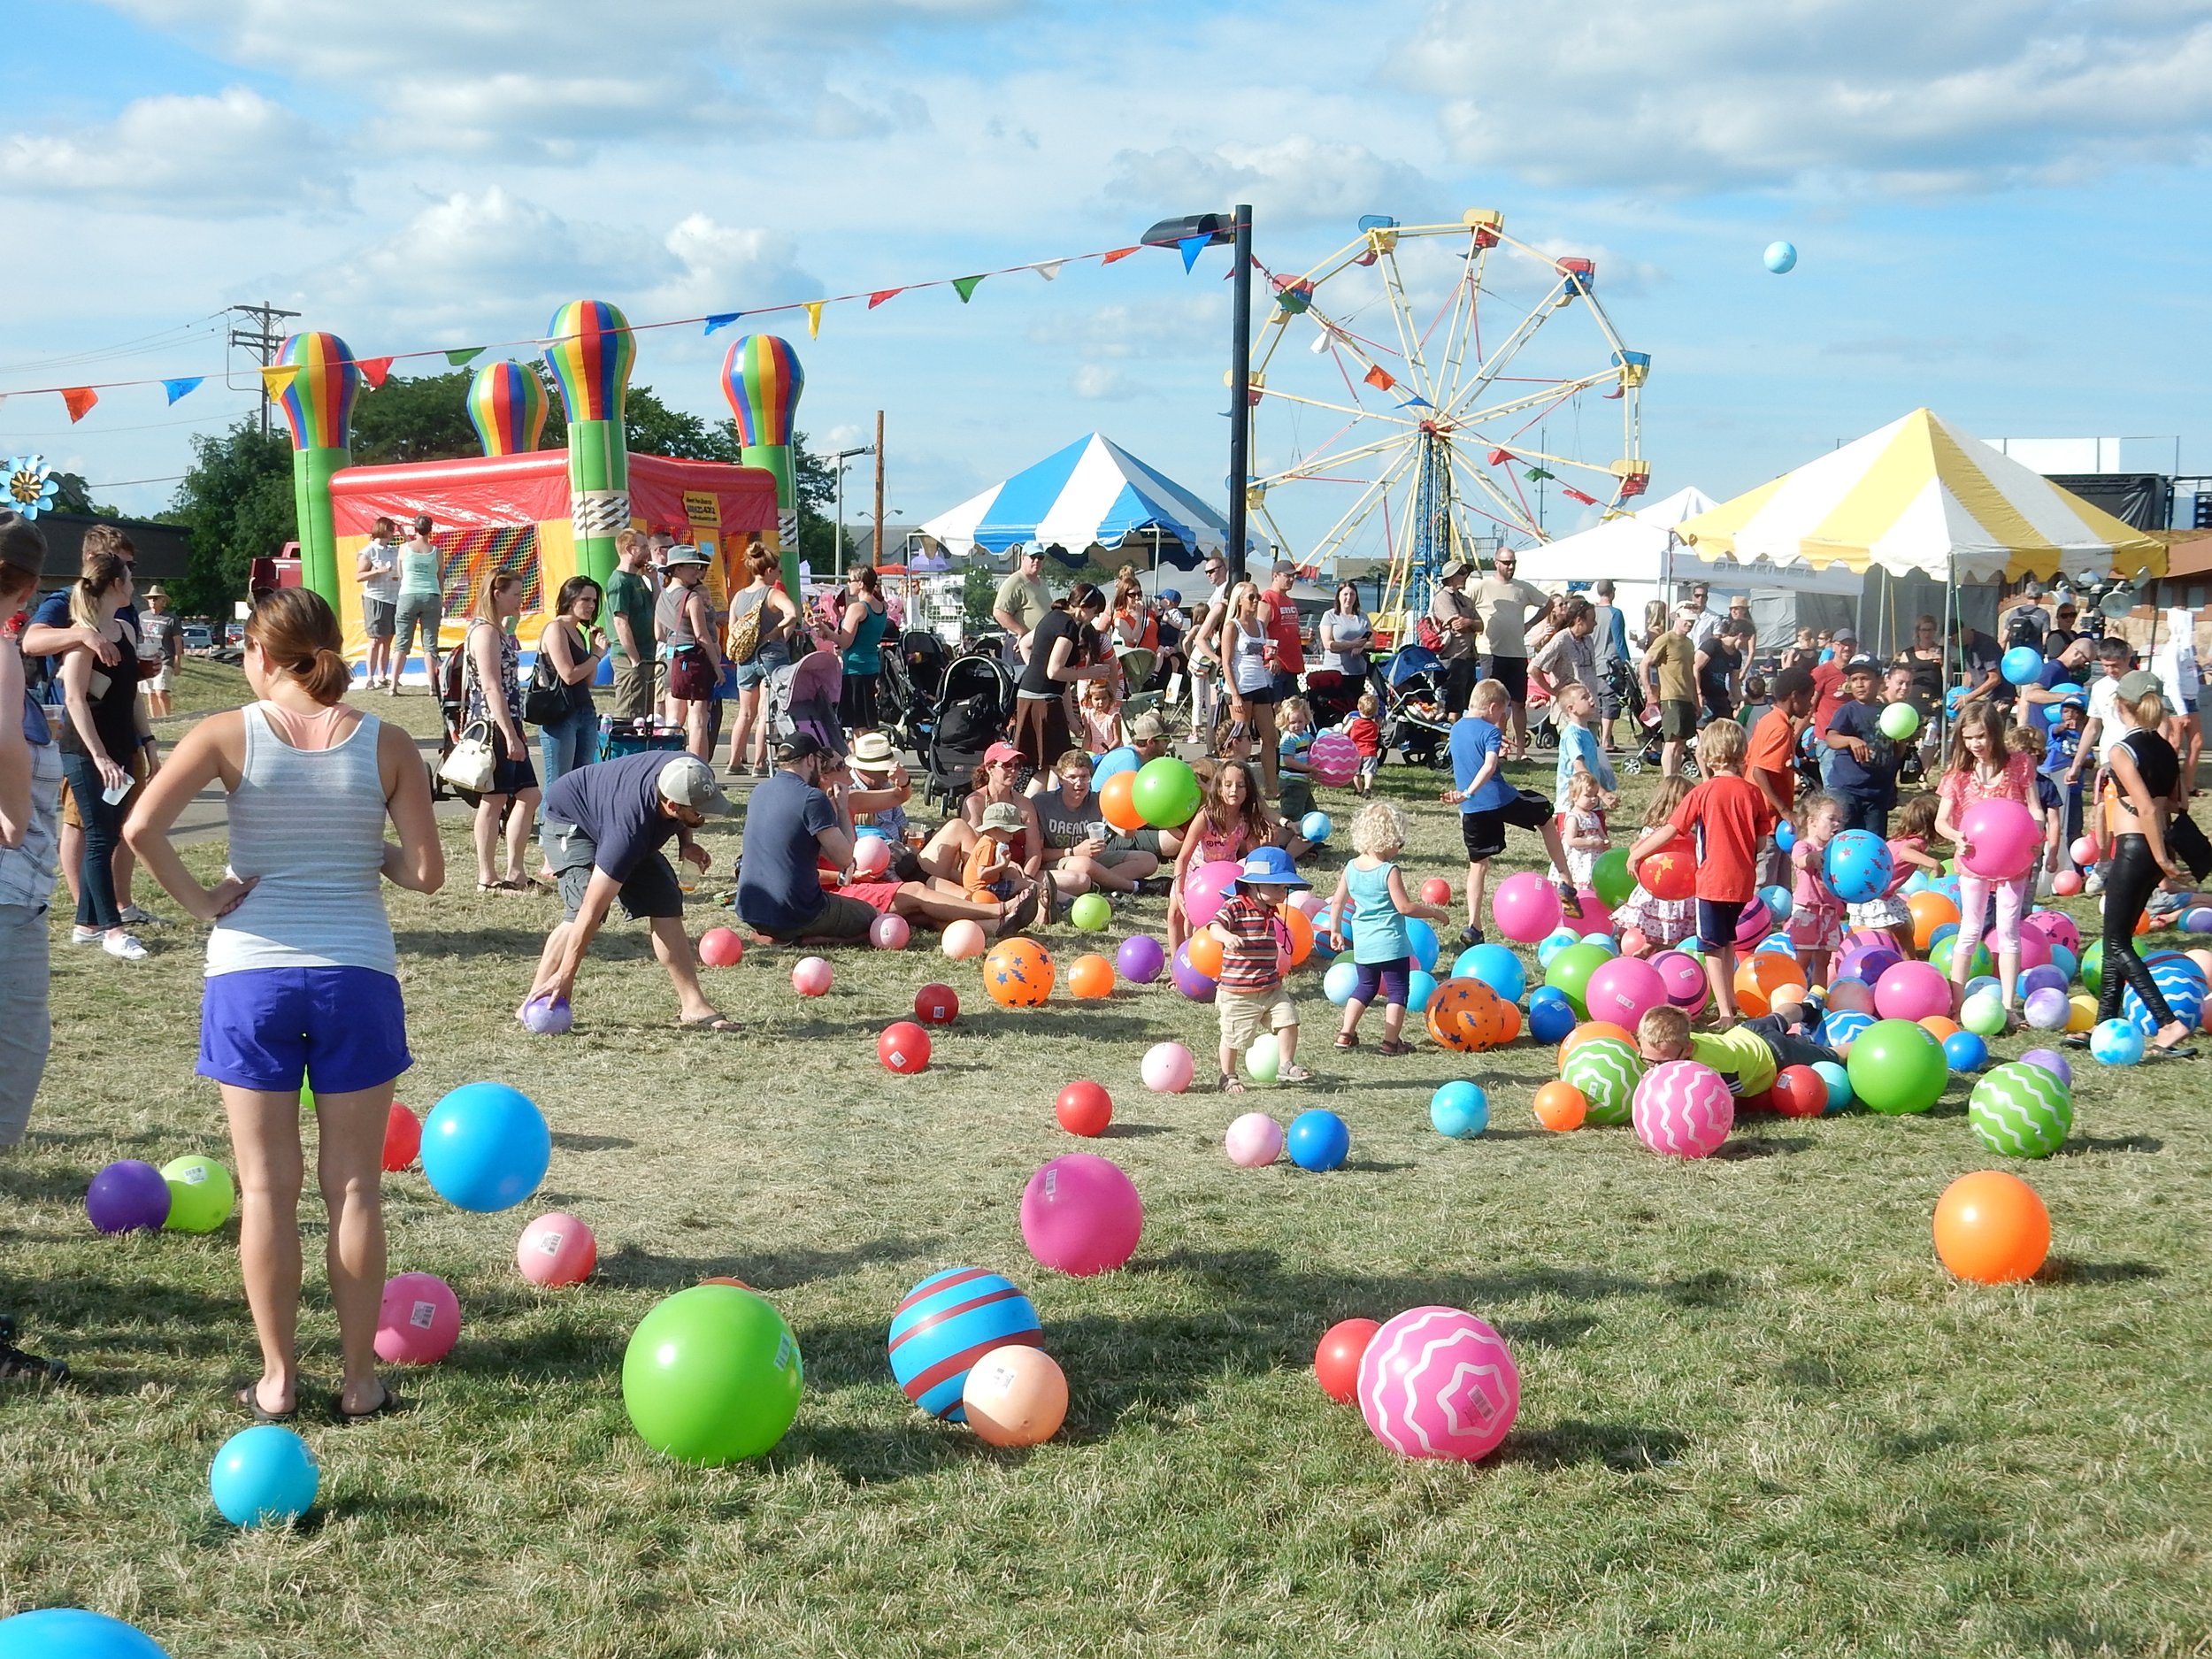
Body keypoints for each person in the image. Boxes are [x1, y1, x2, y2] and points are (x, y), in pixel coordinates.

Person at [126, 586, 443, 1421]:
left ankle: (276, 1380)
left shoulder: (227, 731)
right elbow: (426, 873)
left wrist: (201, 902)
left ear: (261, 655)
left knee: (266, 1191)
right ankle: (360, 1382)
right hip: (357, 977)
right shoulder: (388, 742)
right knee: (355, 1190)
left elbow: (140, 830)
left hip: (249, 976)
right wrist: (364, 847)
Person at [738, 735, 1032, 943]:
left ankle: (992, 924)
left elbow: (897, 796)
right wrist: (841, 811)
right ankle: (1000, 909)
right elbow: (844, 860)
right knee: (905, 902)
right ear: (817, 768)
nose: (848, 773)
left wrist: (901, 781)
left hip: (765, 904)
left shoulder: (763, 792)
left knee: (916, 908)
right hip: (824, 896)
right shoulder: (815, 800)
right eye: (841, 767)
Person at [526, 751, 736, 1030]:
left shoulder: (689, 771)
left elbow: (685, 811)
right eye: (699, 812)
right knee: (581, 908)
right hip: (571, 818)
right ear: (672, 805)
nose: (705, 815)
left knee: (664, 899)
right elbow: (592, 909)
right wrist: (567, 974)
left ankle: (694, 1006)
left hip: (612, 812)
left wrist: (686, 842)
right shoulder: (627, 834)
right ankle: (536, 999)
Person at [21, 524, 153, 923]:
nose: (131, 574)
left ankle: (118, 906)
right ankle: (91, 915)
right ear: (100, 566)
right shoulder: (66, 602)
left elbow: (119, 677)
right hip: (84, 738)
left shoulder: (125, 613)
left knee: (121, 823)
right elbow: (31, 641)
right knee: (85, 825)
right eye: (125, 566)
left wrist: (139, 670)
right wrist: (84, 634)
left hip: (121, 731)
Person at [2073, 672, 2198, 1057]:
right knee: (2118, 937)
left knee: (2115, 941)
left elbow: (2144, 806)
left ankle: (2167, 1022)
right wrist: (2164, 858)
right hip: (2153, 852)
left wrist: (2160, 856)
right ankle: (2104, 1022)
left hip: (2135, 849)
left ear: (2118, 704)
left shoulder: (2121, 751)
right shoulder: (2164, 747)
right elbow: (2180, 804)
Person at [1626, 718, 1775, 1024]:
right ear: (1742, 752)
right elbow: (1761, 843)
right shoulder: (1753, 793)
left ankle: (1723, 1013)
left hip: (1712, 882)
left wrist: (1638, 852)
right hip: (1742, 882)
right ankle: (1730, 1000)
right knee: (1728, 940)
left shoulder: (1702, 793)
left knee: (1711, 947)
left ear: (1707, 754)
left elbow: (1671, 829)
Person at [56, 547, 150, 961]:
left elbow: (130, 697)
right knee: (97, 837)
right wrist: (99, 756)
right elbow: (74, 700)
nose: (135, 584)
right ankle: (112, 930)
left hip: (120, 749)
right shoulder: (82, 636)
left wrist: (145, 743)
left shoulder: (125, 632)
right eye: (129, 577)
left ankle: (86, 923)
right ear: (115, 585)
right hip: (85, 751)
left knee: (110, 833)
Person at [0, 511, 58, 1148]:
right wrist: (13, 819)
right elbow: (5, 743)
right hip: (8, 888)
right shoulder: (2, 651)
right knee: (18, 1031)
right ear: (27, 588)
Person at [1444, 678, 1578, 946]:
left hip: (1472, 809)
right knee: (1546, 816)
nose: (1503, 717)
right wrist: (1470, 790)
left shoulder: (1456, 728)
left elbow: (1474, 755)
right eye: (1503, 712)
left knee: (1478, 866)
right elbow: (1489, 765)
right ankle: (1566, 882)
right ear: (1493, 707)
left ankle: (1474, 926)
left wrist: (1465, 796)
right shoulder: (1491, 731)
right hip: (1499, 799)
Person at [1934, 702, 2042, 1021]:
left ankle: (2009, 1007)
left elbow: (2034, 808)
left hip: (2013, 860)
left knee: (2009, 929)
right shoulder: (1958, 775)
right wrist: (1956, 837)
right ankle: (1955, 1004)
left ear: (1994, 732)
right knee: (1970, 928)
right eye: (1969, 738)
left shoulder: (2020, 765)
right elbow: (1941, 821)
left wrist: (2037, 835)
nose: (1976, 745)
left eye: (1981, 736)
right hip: (1972, 860)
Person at [1327, 802, 1448, 1055]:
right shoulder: (1388, 871)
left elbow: (1338, 900)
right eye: (1398, 842)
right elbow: (1404, 907)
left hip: (1364, 942)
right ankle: (1391, 1042)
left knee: (1365, 987)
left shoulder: (1351, 867)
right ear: (1386, 839)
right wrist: (1433, 912)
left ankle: (1345, 1033)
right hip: (1391, 943)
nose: (1399, 847)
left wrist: (1335, 930)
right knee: (1397, 991)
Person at [1207, 845, 1310, 1092]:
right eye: (1276, 886)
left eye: (1285, 888)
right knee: (1233, 1037)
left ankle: (1286, 1065)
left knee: (1288, 1020)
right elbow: (1214, 926)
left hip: (1270, 986)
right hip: (1238, 991)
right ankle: (1228, 1075)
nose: (1282, 893)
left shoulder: (1269, 910)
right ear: (1253, 885)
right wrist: (1226, 937)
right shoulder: (1236, 906)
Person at [462, 571, 540, 893]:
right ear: (496, 593)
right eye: (515, 594)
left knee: (529, 794)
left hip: (508, 721)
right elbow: (492, 687)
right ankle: (487, 875)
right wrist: (509, 734)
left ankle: (515, 871)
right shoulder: (484, 633)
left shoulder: (497, 630)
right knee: (493, 799)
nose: (519, 600)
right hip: (493, 724)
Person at [1167, 759, 1273, 951]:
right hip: (1195, 873)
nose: (1234, 790)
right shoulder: (1205, 817)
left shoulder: (1246, 820)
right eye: (1228, 785)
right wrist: (1180, 890)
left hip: (1224, 879)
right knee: (1175, 914)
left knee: (1215, 922)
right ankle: (1177, 967)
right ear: (1218, 788)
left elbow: (1255, 858)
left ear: (1248, 790)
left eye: (1240, 786)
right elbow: (1183, 857)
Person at [1635, 1002, 1840, 1102]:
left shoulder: (1708, 1072)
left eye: (1663, 1064)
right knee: (1780, 1016)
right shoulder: (1676, 1040)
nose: (1654, 1070)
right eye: (1648, 1061)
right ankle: (1809, 1007)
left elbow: (1728, 1104)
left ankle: (1857, 1042)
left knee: (1832, 1056)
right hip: (1745, 1032)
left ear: (1688, 1050)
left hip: (1775, 1055)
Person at [1033, 749, 1162, 898]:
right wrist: (1074, 851)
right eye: (1072, 777)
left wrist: (1128, 812)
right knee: (1084, 864)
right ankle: (1135, 887)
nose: (1078, 783)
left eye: (1084, 777)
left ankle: (1098, 886)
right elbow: (1038, 854)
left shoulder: (1098, 800)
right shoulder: (1043, 803)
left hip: (1091, 859)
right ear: (1061, 779)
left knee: (1149, 860)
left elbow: (1127, 834)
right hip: (1058, 860)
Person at [1012, 583, 1110, 771]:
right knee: (1060, 766)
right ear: (1083, 606)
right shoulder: (1068, 627)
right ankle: (1048, 799)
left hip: (1029, 695)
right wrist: (1088, 673)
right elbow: (1054, 671)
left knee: (1047, 768)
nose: (1095, 618)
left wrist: (1035, 669)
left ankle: (1032, 800)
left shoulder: (1051, 617)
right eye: (1095, 612)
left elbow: (1025, 644)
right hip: (1043, 701)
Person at [722, 541, 800, 776]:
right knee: (766, 712)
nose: (779, 574)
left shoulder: (739, 597)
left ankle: (734, 762)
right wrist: (778, 632)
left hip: (745, 659)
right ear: (768, 571)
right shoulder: (772, 593)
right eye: (778, 570)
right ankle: (759, 763)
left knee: (745, 713)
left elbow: (733, 629)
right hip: (771, 656)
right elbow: (793, 614)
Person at [534, 576, 605, 811]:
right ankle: (549, 834)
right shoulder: (556, 628)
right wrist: (596, 656)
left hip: (584, 710)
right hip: (560, 714)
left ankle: (573, 832)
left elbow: (589, 680)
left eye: (594, 601)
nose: (591, 605)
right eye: (585, 599)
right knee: (558, 781)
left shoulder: (578, 632)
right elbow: (569, 675)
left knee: (581, 778)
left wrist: (594, 651)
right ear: (569, 599)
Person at [1472, 550, 1549, 757]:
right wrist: (1473, 625)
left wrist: (1531, 624)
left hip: (1516, 652)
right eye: (1506, 563)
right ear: (1496, 563)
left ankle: (1521, 751)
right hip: (1490, 651)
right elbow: (1463, 603)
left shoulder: (1522, 588)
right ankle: (1494, 749)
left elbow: (1548, 603)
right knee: (1491, 703)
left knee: (1518, 703)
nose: (1511, 566)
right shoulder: (1482, 586)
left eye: (1513, 562)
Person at [1823, 657, 1905, 836]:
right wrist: (1850, 740)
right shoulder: (1848, 710)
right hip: (1847, 789)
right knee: (1844, 839)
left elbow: (1896, 752)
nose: (1859, 684)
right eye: (1854, 679)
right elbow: (1831, 738)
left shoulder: (1889, 713)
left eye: (1864, 678)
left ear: (1879, 681)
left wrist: (1902, 741)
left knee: (1874, 842)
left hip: (1877, 792)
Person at [1612, 777, 1695, 953]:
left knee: (1660, 919)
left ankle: (1652, 944)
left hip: (1662, 885)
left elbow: (1634, 847)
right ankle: (1656, 945)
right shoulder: (1676, 832)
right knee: (1674, 918)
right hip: (1670, 885)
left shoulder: (1653, 829)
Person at [657, 545, 722, 760]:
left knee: (673, 720)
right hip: (693, 661)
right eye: (691, 566)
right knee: (698, 720)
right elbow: (702, 636)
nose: (696, 570)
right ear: (676, 569)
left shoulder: (662, 597)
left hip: (671, 658)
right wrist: (717, 667)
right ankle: (698, 769)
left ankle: (665, 765)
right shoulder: (691, 598)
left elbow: (658, 634)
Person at [1218, 580, 1281, 792]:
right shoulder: (1231, 626)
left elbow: (1262, 653)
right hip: (1240, 685)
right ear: (1240, 601)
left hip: (1260, 683)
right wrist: (1234, 693)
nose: (1256, 601)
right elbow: (1226, 662)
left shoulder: (1261, 625)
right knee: (1240, 741)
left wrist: (1273, 660)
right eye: (1251, 597)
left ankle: (1272, 788)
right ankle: (1234, 786)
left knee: (1270, 737)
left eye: (1258, 597)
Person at [1786, 790, 1848, 989]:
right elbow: (1800, 861)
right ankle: (1794, 993)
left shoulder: (1837, 851)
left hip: (1829, 912)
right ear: (1812, 822)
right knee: (1802, 957)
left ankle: (1817, 998)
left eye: (1840, 820)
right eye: (1831, 819)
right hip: (1807, 911)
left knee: (1823, 960)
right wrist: (1812, 859)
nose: (1837, 825)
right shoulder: (1803, 846)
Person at [603, 529, 658, 723]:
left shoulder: (639, 579)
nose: (647, 553)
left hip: (647, 653)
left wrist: (654, 582)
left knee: (644, 713)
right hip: (629, 658)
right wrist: (634, 659)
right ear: (629, 549)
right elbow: (620, 622)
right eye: (643, 547)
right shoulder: (619, 581)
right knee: (630, 713)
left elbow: (656, 608)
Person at [1642, 604, 1699, 779]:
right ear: (1676, 617)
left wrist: (1696, 701)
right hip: (1671, 696)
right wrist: (1650, 693)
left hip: (1687, 698)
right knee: (1672, 742)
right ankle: (1668, 779)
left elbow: (1690, 673)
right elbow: (1645, 663)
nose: (1689, 624)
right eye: (1686, 620)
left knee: (1681, 743)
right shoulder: (1666, 639)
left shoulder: (1689, 643)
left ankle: (1675, 776)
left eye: (1692, 621)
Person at [2151, 605, 2202, 795]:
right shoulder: (2172, 650)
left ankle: (2188, 785)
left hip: (2191, 699)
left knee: (2196, 742)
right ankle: (2169, 785)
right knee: (2174, 744)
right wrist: (2182, 711)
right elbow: (2172, 682)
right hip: (2175, 701)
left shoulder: (2188, 649)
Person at [390, 513, 442, 695]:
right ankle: (432, 686)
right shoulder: (437, 551)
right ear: (431, 529)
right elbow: (440, 577)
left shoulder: (404, 549)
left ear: (414, 529)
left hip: (408, 595)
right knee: (430, 644)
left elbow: (401, 573)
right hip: (431, 595)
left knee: (402, 643)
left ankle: (393, 684)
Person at [834, 565, 891, 733]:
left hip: (855, 669)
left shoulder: (857, 608)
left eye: (850, 580)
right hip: (871, 665)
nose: (848, 584)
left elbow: (845, 642)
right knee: (867, 719)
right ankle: (860, 754)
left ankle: (863, 756)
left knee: (858, 724)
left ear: (861, 583)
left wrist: (827, 632)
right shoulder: (880, 608)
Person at [1427, 559, 1482, 719]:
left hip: (1469, 658)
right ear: (1451, 577)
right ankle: (1451, 738)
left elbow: (1481, 625)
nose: (1466, 577)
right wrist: (1470, 623)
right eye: (1462, 573)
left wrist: (1470, 623)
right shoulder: (1442, 598)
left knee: (1467, 702)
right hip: (1452, 659)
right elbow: (1456, 623)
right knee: (1453, 704)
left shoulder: (1466, 600)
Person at [1530, 595, 1600, 714]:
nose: (1595, 623)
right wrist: (1553, 692)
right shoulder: (1562, 639)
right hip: (1569, 712)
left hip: (1590, 709)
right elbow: (1533, 668)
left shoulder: (1588, 640)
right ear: (1579, 621)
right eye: (1592, 619)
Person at [354, 520, 399, 691]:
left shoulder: (392, 550)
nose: (393, 534)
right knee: (374, 639)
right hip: (376, 598)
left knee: (387, 638)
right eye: (392, 530)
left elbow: (410, 546)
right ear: (383, 531)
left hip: (393, 598)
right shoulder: (368, 551)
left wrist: (403, 532)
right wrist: (377, 572)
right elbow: (359, 576)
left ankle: (382, 675)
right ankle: (370, 677)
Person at [1257, 561, 1307, 703]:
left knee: (1291, 708)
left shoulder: (1289, 600)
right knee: (1275, 706)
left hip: (1292, 664)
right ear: (1275, 576)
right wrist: (1270, 656)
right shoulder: (1267, 598)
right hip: (1276, 665)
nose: (1291, 580)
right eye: (1287, 576)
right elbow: (1261, 629)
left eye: (1293, 576)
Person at [993, 547, 1052, 664]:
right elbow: (998, 612)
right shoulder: (1015, 581)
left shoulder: (1042, 583)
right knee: (1020, 680)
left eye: (1040, 557)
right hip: (1019, 646)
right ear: (1022, 558)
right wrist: (1022, 632)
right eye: (1033, 557)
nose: (1037, 561)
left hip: (1039, 646)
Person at [1589, 580, 1629, 749]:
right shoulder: (1615, 613)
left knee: (1595, 701)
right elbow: (1619, 641)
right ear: (1612, 592)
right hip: (1609, 663)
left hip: (1592, 663)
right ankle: (1606, 739)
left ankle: (1598, 737)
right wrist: (1626, 662)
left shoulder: (1591, 612)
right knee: (1609, 701)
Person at [1560, 771, 1610, 892]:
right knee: (1581, 881)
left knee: (1592, 879)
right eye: (1588, 795)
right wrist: (1592, 843)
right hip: (1578, 859)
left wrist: (1605, 841)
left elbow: (1601, 833)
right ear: (1574, 796)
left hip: (1593, 857)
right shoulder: (1573, 817)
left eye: (1595, 795)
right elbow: (1571, 840)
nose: (1593, 799)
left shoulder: (1593, 816)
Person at [138, 581, 182, 717]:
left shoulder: (171, 618)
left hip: (165, 659)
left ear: (163, 601)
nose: (152, 601)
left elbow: (178, 642)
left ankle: (167, 717)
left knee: (160, 691)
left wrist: (177, 662)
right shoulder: (142, 617)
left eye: (156, 598)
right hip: (147, 659)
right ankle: (156, 720)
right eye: (150, 598)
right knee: (150, 693)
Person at [1694, 617, 1747, 726]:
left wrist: (1740, 701)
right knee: (1705, 730)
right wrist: (1698, 694)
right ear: (1740, 636)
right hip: (1705, 696)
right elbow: (1695, 668)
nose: (1745, 645)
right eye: (1746, 641)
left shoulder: (1736, 655)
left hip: (1720, 696)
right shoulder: (1713, 645)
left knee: (1726, 729)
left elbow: (1734, 683)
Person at [1318, 582, 1371, 682]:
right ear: (1338, 596)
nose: (1349, 598)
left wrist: (1361, 646)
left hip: (1358, 671)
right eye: (1345, 594)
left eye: (1352, 594)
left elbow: (1372, 642)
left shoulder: (1363, 617)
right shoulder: (1329, 615)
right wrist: (1352, 644)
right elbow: (1328, 644)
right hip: (1335, 671)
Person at [1951, 616, 2005, 706]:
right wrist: (1963, 693)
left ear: (1962, 631)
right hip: (1980, 699)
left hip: (1998, 700)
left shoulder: (1986, 645)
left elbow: (1995, 678)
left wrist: (1969, 697)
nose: (1953, 645)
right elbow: (1968, 673)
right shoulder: (1965, 647)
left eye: (1953, 640)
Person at [1348, 691, 1383, 796]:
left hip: (1356, 751)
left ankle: (1358, 789)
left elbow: (1345, 732)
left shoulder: (1355, 722)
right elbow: (1376, 736)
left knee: (1355, 772)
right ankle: (1367, 788)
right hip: (1370, 751)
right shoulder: (1375, 725)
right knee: (1369, 772)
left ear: (1359, 707)